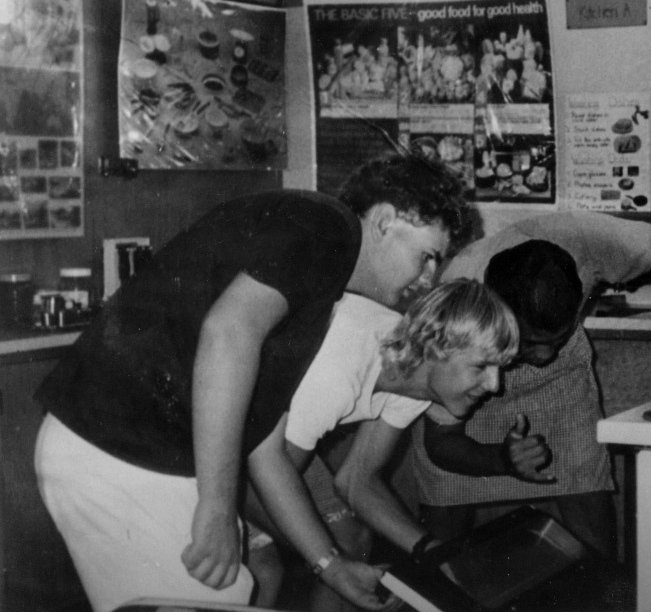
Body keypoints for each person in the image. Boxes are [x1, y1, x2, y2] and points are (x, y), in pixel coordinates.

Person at [33, 154, 475, 612]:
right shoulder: (324, 230)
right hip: (117, 452)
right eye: (427, 257)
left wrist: (330, 564)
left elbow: (264, 444)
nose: (427, 280)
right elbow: (228, 334)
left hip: (128, 452)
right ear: (386, 220)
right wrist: (219, 506)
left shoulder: (322, 276)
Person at [410, 211, 651, 558]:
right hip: (471, 366)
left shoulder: (584, 239)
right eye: (530, 343)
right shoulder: (461, 305)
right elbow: (441, 442)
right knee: (445, 530)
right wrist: (500, 459)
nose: (545, 355)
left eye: (558, 338)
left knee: (591, 522)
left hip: (560, 383)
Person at [246, 278, 519, 610]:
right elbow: (256, 484)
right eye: (481, 366)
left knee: (353, 541)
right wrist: (329, 563)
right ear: (435, 347)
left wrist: (434, 552)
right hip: (214, 438)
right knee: (269, 571)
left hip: (264, 442)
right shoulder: (339, 369)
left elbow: (357, 481)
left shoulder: (419, 379)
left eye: (499, 368)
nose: (494, 385)